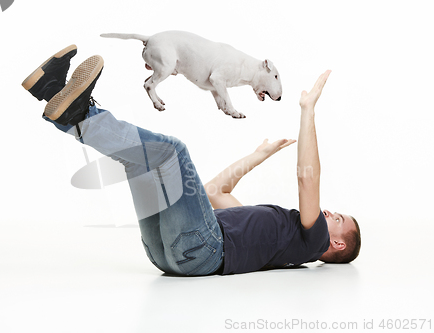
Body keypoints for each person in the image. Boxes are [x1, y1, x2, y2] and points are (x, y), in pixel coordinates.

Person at [22, 45, 361, 276]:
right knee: (141, 163)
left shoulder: (312, 241)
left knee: (172, 153)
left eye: (338, 218)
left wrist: (307, 112)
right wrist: (259, 156)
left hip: (203, 250)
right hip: (173, 253)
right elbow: (215, 190)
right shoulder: (276, 238)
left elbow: (308, 179)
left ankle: (77, 115)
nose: (328, 212)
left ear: (337, 242)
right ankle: (54, 93)